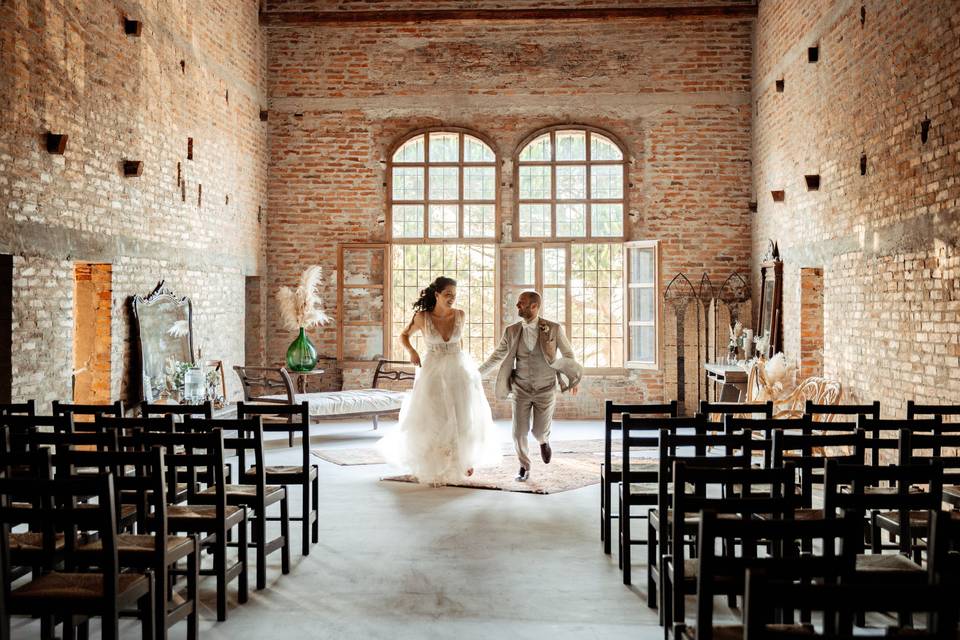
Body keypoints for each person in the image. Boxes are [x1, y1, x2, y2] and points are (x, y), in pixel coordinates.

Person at [377, 276, 501, 485]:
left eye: (454, 294)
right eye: (447, 294)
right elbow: (404, 335)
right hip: (432, 369)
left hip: (458, 369)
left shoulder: (460, 315)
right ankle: (435, 463)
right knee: (435, 414)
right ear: (437, 294)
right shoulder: (422, 317)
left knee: (462, 413)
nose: (452, 298)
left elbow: (459, 341)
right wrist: (412, 352)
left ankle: (463, 459)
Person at [478, 291, 582, 482]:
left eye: (521, 303)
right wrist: (477, 374)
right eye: (518, 303)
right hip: (521, 388)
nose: (517, 306)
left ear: (534, 306)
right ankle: (524, 466)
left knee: (538, 431)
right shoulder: (511, 331)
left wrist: (572, 378)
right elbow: (497, 355)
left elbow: (568, 354)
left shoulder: (554, 328)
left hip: (546, 388)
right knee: (518, 432)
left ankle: (544, 441)